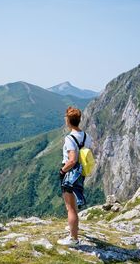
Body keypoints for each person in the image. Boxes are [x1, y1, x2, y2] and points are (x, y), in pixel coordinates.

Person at [57, 106, 92, 247]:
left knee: (70, 207)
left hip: (71, 173)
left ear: (68, 120)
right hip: (80, 173)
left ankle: (73, 239)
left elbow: (72, 159)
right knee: (74, 204)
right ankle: (73, 227)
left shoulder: (70, 138)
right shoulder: (86, 136)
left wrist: (62, 171)